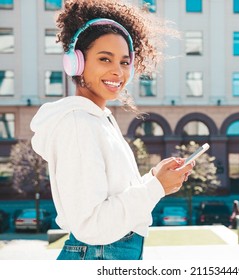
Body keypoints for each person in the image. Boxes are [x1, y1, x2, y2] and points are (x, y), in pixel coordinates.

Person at [30, 0, 193, 260]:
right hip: (100, 255)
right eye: (105, 59)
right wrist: (156, 188)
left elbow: (115, 197)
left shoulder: (99, 118)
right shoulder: (78, 124)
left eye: (125, 62)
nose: (117, 71)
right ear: (76, 63)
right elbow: (91, 225)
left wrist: (153, 178)